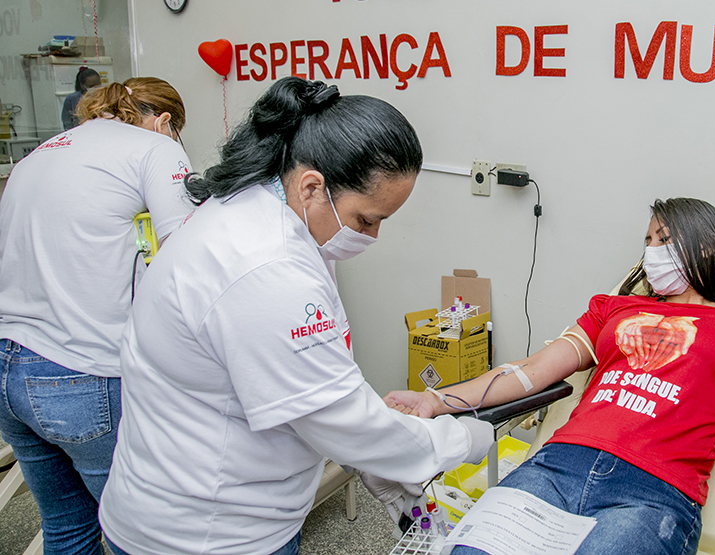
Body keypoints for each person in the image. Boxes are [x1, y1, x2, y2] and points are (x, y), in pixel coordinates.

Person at [97, 77, 493, 555]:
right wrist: (458, 438)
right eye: (367, 219)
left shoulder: (267, 211)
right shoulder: (266, 265)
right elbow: (337, 417)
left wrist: (373, 450)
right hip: (205, 532)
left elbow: (312, 380)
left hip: (193, 501)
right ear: (312, 186)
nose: (372, 235)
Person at [385, 198, 715, 555]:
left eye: (664, 239)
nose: (651, 251)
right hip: (554, 468)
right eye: (648, 240)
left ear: (706, 247)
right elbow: (530, 372)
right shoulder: (613, 309)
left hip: (652, 492)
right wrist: (436, 400)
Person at [0, 77, 191, 555]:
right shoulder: (154, 148)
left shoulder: (39, 154)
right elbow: (189, 261)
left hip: (8, 369)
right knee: (142, 533)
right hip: (81, 373)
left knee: (67, 526)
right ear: (164, 122)